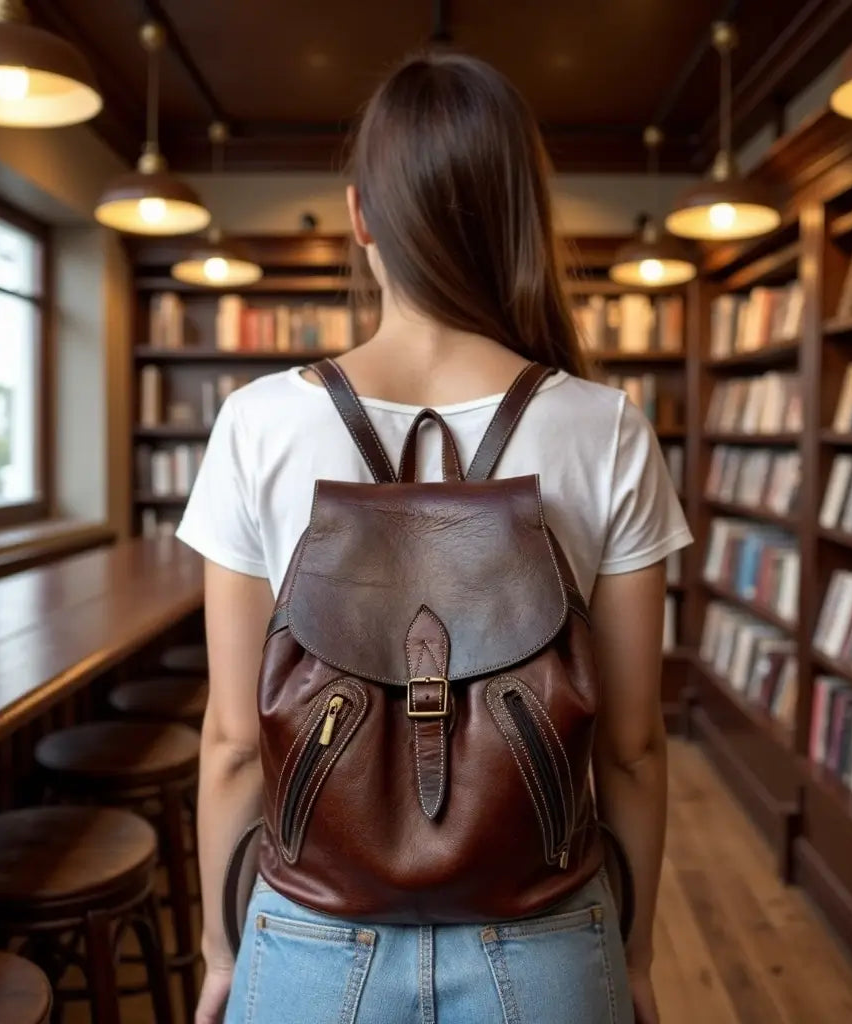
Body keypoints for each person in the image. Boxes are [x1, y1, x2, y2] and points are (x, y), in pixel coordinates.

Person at [177, 51, 691, 1024]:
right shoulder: (607, 427)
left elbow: (235, 741)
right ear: (518, 214)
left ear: (360, 215)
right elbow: (631, 749)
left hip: (311, 932)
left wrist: (218, 950)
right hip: (544, 936)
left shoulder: (256, 422)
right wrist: (636, 954)